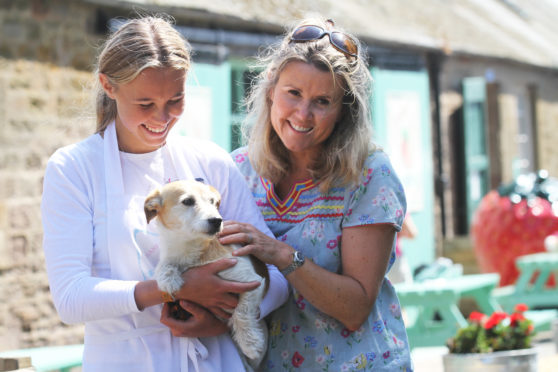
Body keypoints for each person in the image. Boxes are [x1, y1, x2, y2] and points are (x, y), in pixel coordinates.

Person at [40, 16, 288, 372]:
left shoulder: (211, 162)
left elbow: (276, 278)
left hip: (216, 360)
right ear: (108, 86)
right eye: (145, 104)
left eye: (176, 99)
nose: (163, 117)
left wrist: (224, 320)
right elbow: (70, 298)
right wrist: (174, 288)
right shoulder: (74, 169)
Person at [219, 18, 413, 370]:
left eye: (322, 101)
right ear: (270, 89)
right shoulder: (236, 170)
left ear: (344, 113)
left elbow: (355, 309)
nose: (303, 114)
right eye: (293, 93)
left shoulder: (368, 174)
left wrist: (279, 253)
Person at [388, 214, 418, 284]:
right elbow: (412, 233)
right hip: (394, 259)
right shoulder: (396, 205)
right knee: (403, 292)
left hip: (372, 258)